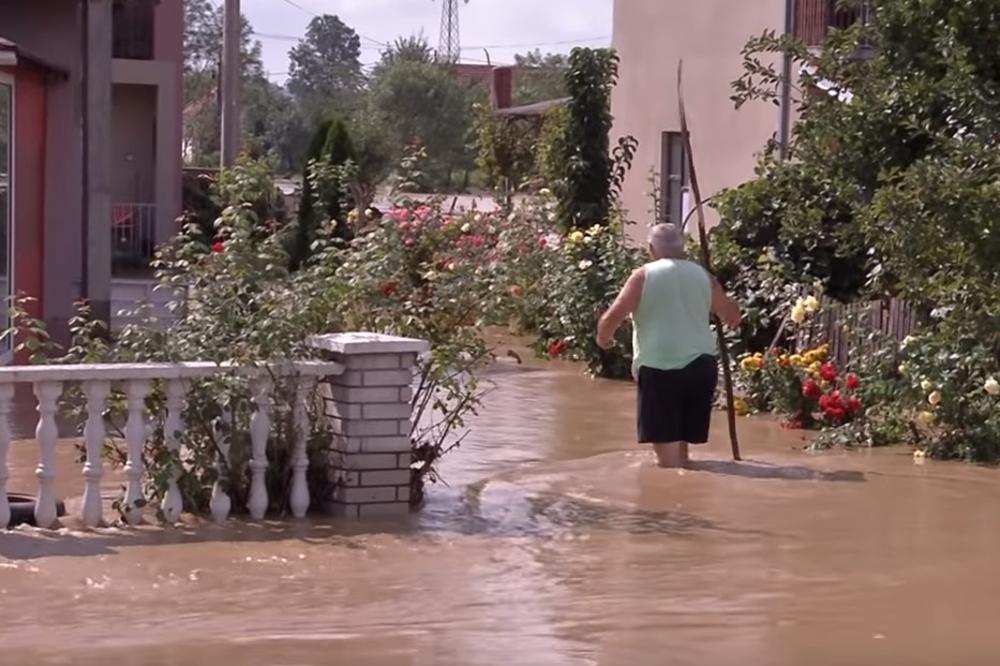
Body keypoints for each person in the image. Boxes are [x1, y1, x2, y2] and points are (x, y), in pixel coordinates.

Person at [596, 224, 742, 469]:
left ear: (651, 249)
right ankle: (691, 495)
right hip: (701, 367)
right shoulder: (703, 275)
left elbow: (613, 317)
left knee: (669, 464)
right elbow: (731, 314)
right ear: (682, 248)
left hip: (659, 366)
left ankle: (677, 501)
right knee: (683, 453)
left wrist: (603, 339)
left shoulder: (643, 275)